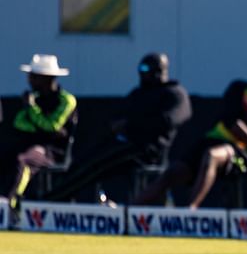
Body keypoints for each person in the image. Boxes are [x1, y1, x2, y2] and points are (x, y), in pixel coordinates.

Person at [134, 59, 247, 208]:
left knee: (212, 156)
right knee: (172, 173)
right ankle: (127, 211)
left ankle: (190, 211)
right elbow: (232, 125)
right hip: (211, 140)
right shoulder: (240, 88)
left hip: (239, 153)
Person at [43, 53, 191, 203]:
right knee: (87, 160)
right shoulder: (139, 93)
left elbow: (170, 120)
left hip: (147, 150)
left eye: (146, 70)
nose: (142, 74)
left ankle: (54, 199)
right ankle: (56, 196)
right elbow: (118, 117)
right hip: (123, 144)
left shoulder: (175, 94)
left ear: (159, 71)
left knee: (98, 164)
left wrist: (132, 124)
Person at [0, 54, 77, 208]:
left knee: (23, 160)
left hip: (51, 151)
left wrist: (33, 110)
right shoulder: (33, 97)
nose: (29, 80)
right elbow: (19, 123)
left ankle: (10, 202)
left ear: (47, 78)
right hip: (27, 144)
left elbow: (51, 126)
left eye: (34, 77)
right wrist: (40, 125)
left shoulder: (66, 100)